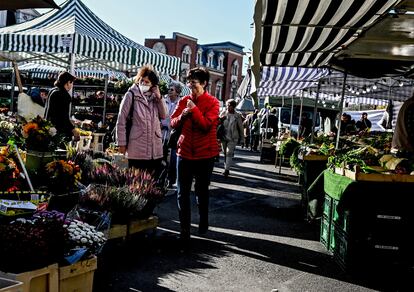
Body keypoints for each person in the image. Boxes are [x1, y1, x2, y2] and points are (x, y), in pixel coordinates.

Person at [170, 67, 220, 240]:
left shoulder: (213, 102)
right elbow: (172, 123)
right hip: (184, 152)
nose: (191, 87)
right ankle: (184, 230)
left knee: (201, 190)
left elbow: (206, 125)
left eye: (194, 83)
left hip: (205, 154)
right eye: (189, 83)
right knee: (182, 192)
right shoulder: (184, 100)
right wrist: (183, 115)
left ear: (204, 83)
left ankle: (203, 220)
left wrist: (194, 109)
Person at [115, 65, 167, 175]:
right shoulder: (131, 95)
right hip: (137, 149)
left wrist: (159, 97)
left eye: (147, 82)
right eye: (141, 80)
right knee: (136, 184)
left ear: (153, 85)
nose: (143, 83)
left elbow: (164, 115)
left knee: (152, 186)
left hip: (155, 150)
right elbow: (121, 121)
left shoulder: (155, 98)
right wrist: (122, 144)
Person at [44, 71, 79, 142]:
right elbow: (63, 117)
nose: (72, 85)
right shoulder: (64, 95)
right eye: (72, 83)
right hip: (59, 131)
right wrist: (73, 129)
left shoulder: (53, 90)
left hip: (48, 126)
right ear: (68, 82)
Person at [161, 81, 182, 188]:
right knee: (161, 157)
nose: (169, 90)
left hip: (174, 135)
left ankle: (171, 179)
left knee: (173, 159)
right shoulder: (163, 101)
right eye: (169, 89)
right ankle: (160, 178)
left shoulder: (181, 103)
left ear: (177, 92)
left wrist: (173, 126)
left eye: (171, 89)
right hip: (162, 133)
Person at [219, 99, 244, 177]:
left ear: (233, 106)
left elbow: (241, 128)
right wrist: (220, 119)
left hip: (233, 138)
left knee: (229, 152)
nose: (227, 107)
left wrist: (242, 139)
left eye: (229, 105)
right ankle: (226, 168)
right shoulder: (223, 113)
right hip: (223, 137)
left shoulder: (237, 116)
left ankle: (226, 170)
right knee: (225, 153)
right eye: (227, 105)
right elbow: (217, 123)